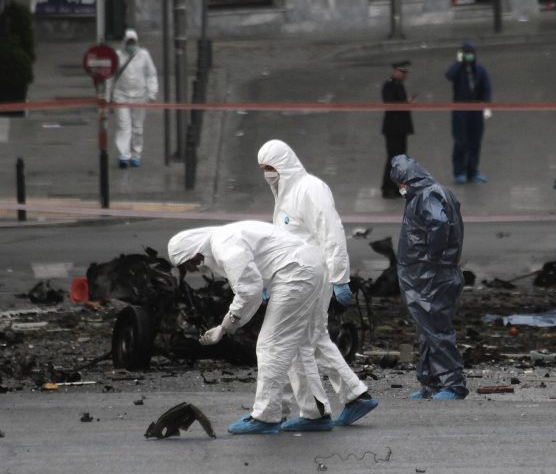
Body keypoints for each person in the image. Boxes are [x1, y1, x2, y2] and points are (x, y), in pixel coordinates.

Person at [257, 139, 379, 430]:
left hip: (311, 278)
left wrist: (340, 277)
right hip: (300, 277)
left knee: (300, 342)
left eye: (270, 168)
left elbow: (331, 232)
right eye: (263, 169)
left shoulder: (309, 189)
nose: (267, 175)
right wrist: (270, 279)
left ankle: (315, 412)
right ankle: (353, 396)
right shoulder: (285, 194)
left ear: (284, 164)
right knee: (314, 338)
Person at [168, 221, 333, 435]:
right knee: (296, 347)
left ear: (192, 252)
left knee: (271, 345)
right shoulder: (222, 239)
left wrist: (224, 327)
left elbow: (248, 291)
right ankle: (315, 414)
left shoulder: (225, 246)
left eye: (186, 263)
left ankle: (266, 417)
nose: (190, 269)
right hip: (305, 268)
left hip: (296, 273)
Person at [390, 154, 468, 400]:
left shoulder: (426, 196)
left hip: (430, 275)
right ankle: (432, 383)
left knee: (435, 329)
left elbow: (439, 225)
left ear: (407, 180)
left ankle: (452, 384)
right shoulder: (429, 194)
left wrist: (431, 257)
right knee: (427, 330)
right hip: (428, 275)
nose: (400, 189)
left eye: (400, 184)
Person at [444, 42, 491, 184]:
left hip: (476, 111)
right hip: (461, 110)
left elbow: (486, 88)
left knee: (475, 141)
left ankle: (473, 171)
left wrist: (487, 106)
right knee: (461, 141)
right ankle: (459, 171)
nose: (469, 57)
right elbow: (449, 75)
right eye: (467, 54)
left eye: (471, 54)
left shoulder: (480, 70)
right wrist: (458, 62)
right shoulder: (459, 71)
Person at [111, 28, 158, 169]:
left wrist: (152, 92)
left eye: (133, 42)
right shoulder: (117, 56)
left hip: (140, 96)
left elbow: (151, 74)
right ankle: (124, 156)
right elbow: (109, 77)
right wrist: (107, 96)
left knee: (137, 128)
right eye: (128, 42)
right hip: (121, 96)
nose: (131, 45)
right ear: (124, 42)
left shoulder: (144, 55)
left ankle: (136, 155)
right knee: (123, 126)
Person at [381, 60, 414, 198]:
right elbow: (391, 104)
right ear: (395, 71)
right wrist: (406, 103)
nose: (404, 75)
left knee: (400, 159)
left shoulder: (398, 85)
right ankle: (387, 187)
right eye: (402, 72)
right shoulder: (389, 85)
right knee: (393, 159)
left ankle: (396, 187)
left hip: (400, 128)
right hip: (393, 128)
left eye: (405, 73)